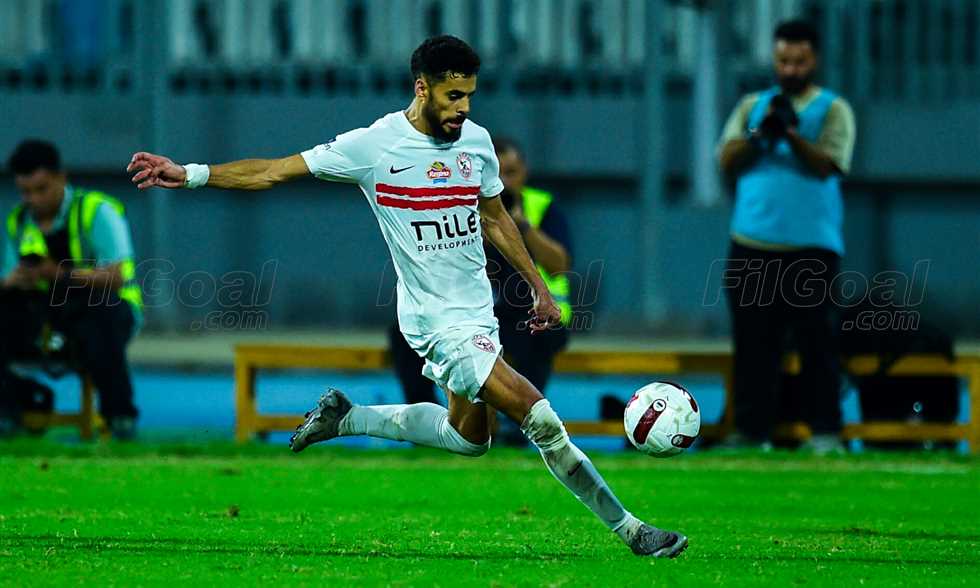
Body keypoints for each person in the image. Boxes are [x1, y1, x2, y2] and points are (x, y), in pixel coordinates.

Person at [127, 35, 687, 558]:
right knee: (539, 416)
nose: (462, 107)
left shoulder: (477, 142)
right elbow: (274, 171)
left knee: (469, 440)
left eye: (468, 94)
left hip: (478, 312)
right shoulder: (374, 146)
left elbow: (494, 216)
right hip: (433, 320)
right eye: (451, 95)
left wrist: (539, 287)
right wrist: (192, 173)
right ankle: (632, 530)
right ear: (422, 88)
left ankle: (347, 418)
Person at [716, 20, 856, 453]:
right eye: (783, 60)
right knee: (754, 345)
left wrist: (793, 136)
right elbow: (726, 160)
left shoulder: (834, 110)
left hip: (811, 248)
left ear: (814, 60)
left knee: (818, 343)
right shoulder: (752, 106)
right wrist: (762, 135)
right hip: (752, 245)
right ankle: (752, 432)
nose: (790, 69)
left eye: (799, 61)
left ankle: (825, 432)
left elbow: (828, 166)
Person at [1, 140, 143, 439]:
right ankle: (13, 408)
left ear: (61, 178)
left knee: (99, 315)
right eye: (26, 192)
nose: (33, 200)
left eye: (41, 189)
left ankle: (120, 417)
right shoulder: (18, 221)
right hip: (45, 313)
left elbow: (116, 277)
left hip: (105, 310)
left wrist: (58, 274)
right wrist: (14, 281)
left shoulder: (97, 211)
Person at [486, 138, 573, 445]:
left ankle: (521, 421)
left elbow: (560, 265)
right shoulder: (470, 210)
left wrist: (521, 226)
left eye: (511, 172)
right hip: (488, 315)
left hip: (535, 316)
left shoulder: (543, 208)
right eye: (497, 174)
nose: (504, 182)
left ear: (524, 172)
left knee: (538, 334)